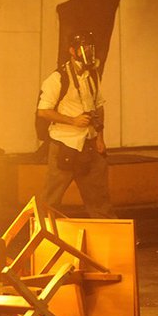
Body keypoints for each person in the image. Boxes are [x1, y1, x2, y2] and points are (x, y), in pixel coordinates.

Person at [36, 32, 116, 219]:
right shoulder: (57, 78)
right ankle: (43, 237)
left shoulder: (92, 75)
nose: (88, 51)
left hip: (89, 143)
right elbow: (43, 111)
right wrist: (72, 121)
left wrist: (100, 138)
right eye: (84, 47)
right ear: (72, 50)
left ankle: (110, 241)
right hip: (65, 144)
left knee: (99, 197)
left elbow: (99, 106)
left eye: (90, 47)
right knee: (51, 199)